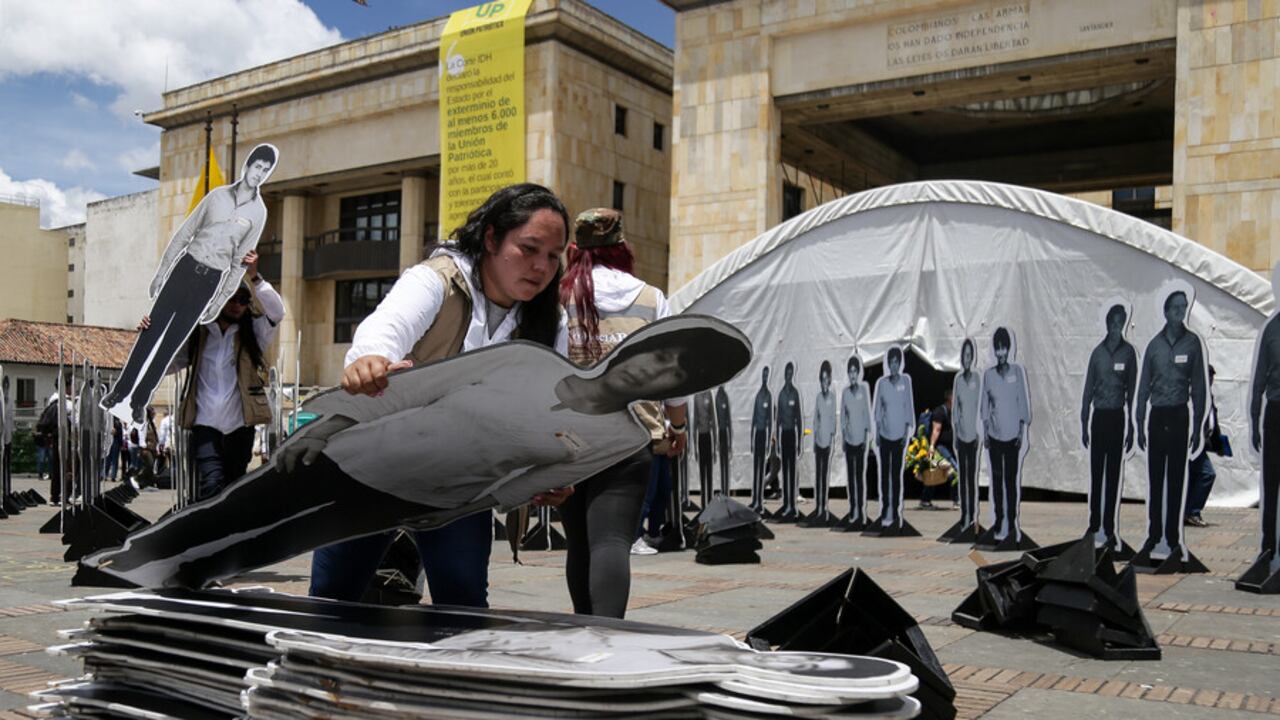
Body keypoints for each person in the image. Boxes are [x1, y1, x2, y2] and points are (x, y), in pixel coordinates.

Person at [83, 317, 748, 591]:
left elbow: (524, 484)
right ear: (640, 346)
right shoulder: (524, 360)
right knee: (229, 515)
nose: (655, 371)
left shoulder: (621, 440)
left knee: (267, 543)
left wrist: (472, 504)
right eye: (660, 352)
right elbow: (407, 390)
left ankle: (174, 584)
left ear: (676, 388)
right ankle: (126, 571)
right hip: (358, 451)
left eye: (675, 374)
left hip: (415, 500)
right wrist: (325, 422)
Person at [308, 183, 570, 607]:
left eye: (554, 256)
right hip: (374, 464)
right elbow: (385, 329)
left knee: (463, 601)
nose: (541, 267)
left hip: (460, 477)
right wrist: (371, 360)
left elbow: (552, 411)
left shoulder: (550, 320)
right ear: (491, 238)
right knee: (333, 597)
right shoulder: (437, 280)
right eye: (529, 248)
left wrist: (554, 470)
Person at [558, 207, 689, 619]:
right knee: (613, 541)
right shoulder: (652, 299)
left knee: (579, 543)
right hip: (632, 437)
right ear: (622, 248)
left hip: (571, 440)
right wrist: (677, 424)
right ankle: (608, 634)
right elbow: (672, 370)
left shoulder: (558, 298)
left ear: (575, 249)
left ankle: (584, 627)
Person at [104, 144, 279, 424]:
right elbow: (185, 233)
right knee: (150, 335)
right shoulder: (217, 197)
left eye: (265, 170)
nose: (259, 174)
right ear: (247, 166)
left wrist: (219, 300)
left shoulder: (258, 213)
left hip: (209, 280)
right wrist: (162, 272)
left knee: (170, 344)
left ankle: (139, 401)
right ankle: (119, 392)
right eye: (257, 167)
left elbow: (238, 264)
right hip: (185, 268)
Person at [139, 252, 284, 501]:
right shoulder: (198, 335)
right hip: (205, 424)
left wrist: (254, 277)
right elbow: (166, 363)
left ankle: (228, 536)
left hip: (240, 425)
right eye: (232, 299)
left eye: (243, 299)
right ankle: (207, 534)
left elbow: (276, 312)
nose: (238, 305)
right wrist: (148, 337)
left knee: (234, 485)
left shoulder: (254, 335)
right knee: (212, 483)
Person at [1135, 287, 1207, 564]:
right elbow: (1143, 387)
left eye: (1184, 307)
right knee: (1156, 479)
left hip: (1179, 415)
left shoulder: (1192, 344)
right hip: (1158, 416)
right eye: (1175, 307)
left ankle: (1173, 536)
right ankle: (1154, 535)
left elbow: (1199, 387)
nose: (1181, 312)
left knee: (1176, 478)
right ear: (1165, 311)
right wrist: (1139, 422)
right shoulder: (1154, 345)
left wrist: (1199, 424)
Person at [1080, 303, 1139, 550]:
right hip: (1099, 417)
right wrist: (1084, 422)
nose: (1115, 328)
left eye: (1119, 323)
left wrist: (1134, 427)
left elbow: (1133, 391)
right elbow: (1088, 390)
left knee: (1113, 475)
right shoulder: (1097, 353)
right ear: (1106, 324)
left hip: (1117, 417)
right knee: (1097, 475)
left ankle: (1109, 527)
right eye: (1112, 323)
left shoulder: (1128, 353)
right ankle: (1094, 525)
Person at [979, 327, 1033, 547]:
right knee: (997, 481)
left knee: (1011, 481)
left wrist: (1021, 432)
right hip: (995, 435)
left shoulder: (1017, 372)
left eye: (1004, 347)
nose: (1001, 352)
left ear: (1008, 349)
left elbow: (1022, 403)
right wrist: (986, 433)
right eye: (997, 348)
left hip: (1013, 436)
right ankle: (999, 520)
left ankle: (1011, 522)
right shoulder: (989, 375)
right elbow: (985, 406)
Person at [1250, 266, 1280, 571]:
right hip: (1275, 411)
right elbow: (1258, 381)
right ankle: (1269, 546)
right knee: (1271, 483)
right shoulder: (1271, 330)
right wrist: (1254, 419)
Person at [872, 346, 913, 530]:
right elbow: (878, 410)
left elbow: (908, 408)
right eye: (891, 362)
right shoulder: (882, 383)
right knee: (884, 474)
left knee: (896, 475)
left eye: (897, 362)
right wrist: (878, 432)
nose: (894, 365)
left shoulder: (906, 382)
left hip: (899, 436)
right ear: (888, 364)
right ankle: (885, 507)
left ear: (900, 363)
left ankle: (895, 510)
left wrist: (906, 433)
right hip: (885, 434)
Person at [837, 354, 873, 530]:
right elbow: (843, 417)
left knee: (860, 477)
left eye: (854, 371)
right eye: (850, 372)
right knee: (851, 478)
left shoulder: (863, 390)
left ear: (858, 373)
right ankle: (853, 510)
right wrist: (843, 437)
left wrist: (867, 437)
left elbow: (867, 414)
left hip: (860, 440)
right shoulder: (845, 393)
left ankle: (861, 510)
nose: (852, 375)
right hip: (850, 440)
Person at [1186, 365, 1224, 527]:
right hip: (1191, 444)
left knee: (1193, 477)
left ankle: (1186, 513)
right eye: (1208, 377)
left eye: (1212, 377)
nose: (1210, 380)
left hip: (1200, 444)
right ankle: (1192, 512)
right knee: (1207, 474)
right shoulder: (1192, 395)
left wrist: (1219, 444)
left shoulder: (1209, 396)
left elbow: (1212, 423)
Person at [800, 361, 837, 527]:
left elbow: (832, 420)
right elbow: (816, 420)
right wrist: (815, 440)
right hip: (819, 441)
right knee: (819, 477)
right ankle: (819, 507)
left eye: (826, 379)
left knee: (825, 476)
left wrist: (832, 439)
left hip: (827, 442)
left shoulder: (832, 398)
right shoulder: (818, 398)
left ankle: (824, 507)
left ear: (829, 380)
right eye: (821, 379)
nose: (823, 382)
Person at [951, 339, 982, 535]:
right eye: (965, 355)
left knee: (972, 477)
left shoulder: (978, 379)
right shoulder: (958, 380)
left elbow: (981, 406)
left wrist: (980, 431)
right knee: (963, 477)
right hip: (962, 435)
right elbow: (956, 410)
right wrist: (955, 433)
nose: (967, 359)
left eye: (970, 355)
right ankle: (964, 514)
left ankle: (972, 515)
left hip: (974, 435)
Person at [773, 362, 803, 523]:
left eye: (791, 373)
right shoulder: (781, 394)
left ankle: (792, 505)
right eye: (787, 372)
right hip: (783, 435)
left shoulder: (795, 393)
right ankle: (786, 504)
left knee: (792, 471)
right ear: (785, 374)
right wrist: (776, 440)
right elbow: (777, 420)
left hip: (792, 434)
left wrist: (799, 442)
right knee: (784, 472)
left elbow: (798, 418)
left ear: (793, 374)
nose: (789, 375)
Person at [922, 387, 955, 509]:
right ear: (949, 397)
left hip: (951, 447)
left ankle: (925, 500)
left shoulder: (955, 411)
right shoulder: (940, 412)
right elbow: (936, 430)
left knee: (935, 473)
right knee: (954, 470)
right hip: (940, 447)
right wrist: (931, 446)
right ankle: (957, 501)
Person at [749, 367, 774, 515]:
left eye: (766, 375)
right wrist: (752, 438)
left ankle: (759, 499)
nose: (764, 377)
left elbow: (770, 420)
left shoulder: (769, 396)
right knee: (756, 468)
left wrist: (768, 441)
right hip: (757, 434)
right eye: (763, 374)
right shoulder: (758, 395)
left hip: (764, 434)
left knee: (762, 468)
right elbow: (753, 418)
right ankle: (755, 498)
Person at [692, 389, 716, 502]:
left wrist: (715, 447)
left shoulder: (709, 394)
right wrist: (695, 446)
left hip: (708, 436)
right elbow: (695, 420)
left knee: (709, 471)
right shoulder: (696, 396)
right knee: (702, 470)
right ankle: (703, 501)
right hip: (700, 436)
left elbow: (714, 419)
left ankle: (710, 499)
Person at [714, 386, 732, 496]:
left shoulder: (725, 397)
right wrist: (716, 440)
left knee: (726, 463)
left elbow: (728, 420)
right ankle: (723, 488)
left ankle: (727, 489)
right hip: (720, 433)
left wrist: (729, 441)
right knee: (722, 463)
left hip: (725, 433)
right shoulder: (717, 398)